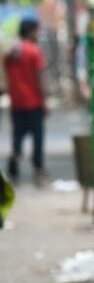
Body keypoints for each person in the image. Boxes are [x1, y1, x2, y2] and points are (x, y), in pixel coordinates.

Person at [3, 18, 46, 186]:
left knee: (18, 135)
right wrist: (44, 100)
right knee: (38, 137)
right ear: (31, 31)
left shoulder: (11, 52)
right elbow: (39, 78)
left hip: (16, 101)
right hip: (33, 101)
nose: (38, 34)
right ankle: (38, 170)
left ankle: (14, 162)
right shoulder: (34, 51)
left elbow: (5, 73)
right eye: (37, 30)